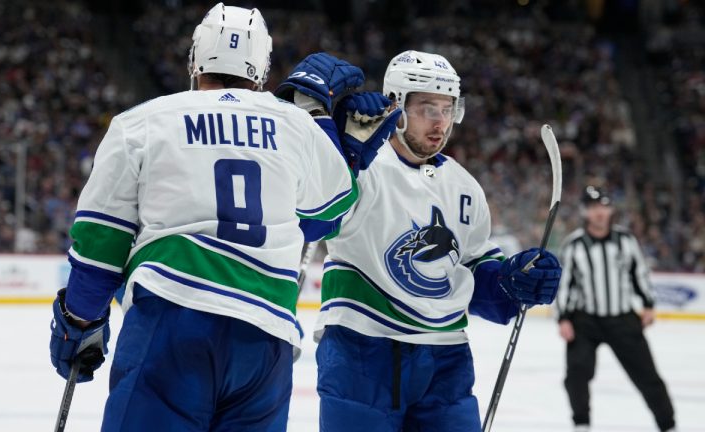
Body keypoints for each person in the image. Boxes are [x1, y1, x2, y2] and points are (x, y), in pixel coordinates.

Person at [47, 3, 397, 431]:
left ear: (195, 59)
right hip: (266, 338)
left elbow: (100, 244)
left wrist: (80, 322)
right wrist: (325, 126)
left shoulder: (140, 123)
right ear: (262, 68)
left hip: (172, 319)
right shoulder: (296, 125)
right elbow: (326, 217)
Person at [312, 50, 563, 431]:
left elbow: (474, 275)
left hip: (446, 361)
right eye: (428, 108)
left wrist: (513, 281)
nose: (440, 122)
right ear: (396, 105)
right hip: (362, 351)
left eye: (448, 109)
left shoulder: (465, 188)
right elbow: (315, 221)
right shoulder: (363, 168)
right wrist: (338, 155)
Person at [556, 185, 676, 432]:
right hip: (585, 320)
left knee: (648, 376)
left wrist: (649, 304)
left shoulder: (625, 240)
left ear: (611, 210)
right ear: (585, 212)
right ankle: (582, 424)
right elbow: (566, 284)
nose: (599, 212)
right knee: (576, 374)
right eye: (593, 208)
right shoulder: (574, 244)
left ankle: (668, 426)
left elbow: (639, 274)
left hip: (622, 319)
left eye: (604, 206)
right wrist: (563, 319)